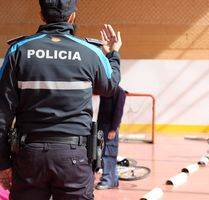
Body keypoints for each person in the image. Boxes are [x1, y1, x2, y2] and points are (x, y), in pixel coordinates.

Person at [0, 0, 122, 199]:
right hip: (74, 159)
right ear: (73, 15)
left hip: (29, 156)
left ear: (41, 14)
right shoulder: (91, 52)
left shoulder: (18, 51)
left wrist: (3, 162)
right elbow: (110, 86)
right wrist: (113, 55)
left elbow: (2, 112)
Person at [96, 87, 126, 190]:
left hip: (110, 128)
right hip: (102, 126)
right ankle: (112, 179)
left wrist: (113, 129)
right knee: (103, 153)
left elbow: (118, 111)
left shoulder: (119, 92)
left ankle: (108, 180)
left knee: (109, 154)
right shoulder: (105, 92)